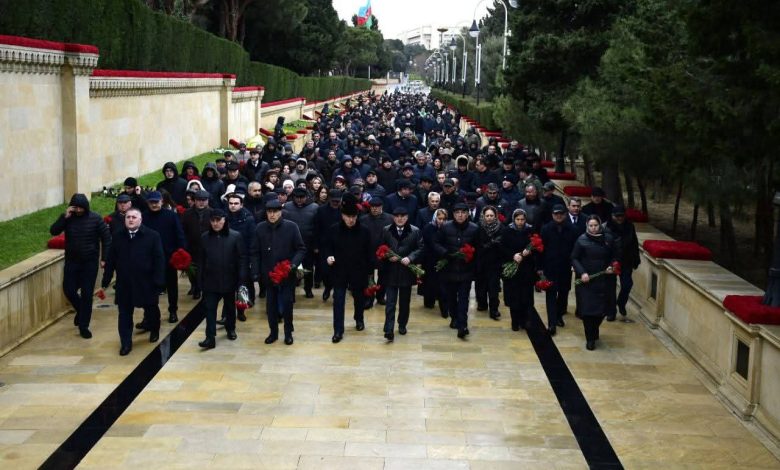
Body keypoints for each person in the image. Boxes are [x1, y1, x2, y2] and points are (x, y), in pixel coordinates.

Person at [100, 208, 165, 355]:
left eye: (134, 217)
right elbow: (111, 260)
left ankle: (154, 329)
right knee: (124, 314)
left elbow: (159, 259)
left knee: (151, 310)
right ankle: (126, 343)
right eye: (128, 217)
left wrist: (159, 281)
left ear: (140, 220)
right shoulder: (118, 236)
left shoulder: (152, 236)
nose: (130, 220)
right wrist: (106, 280)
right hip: (125, 284)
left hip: (146, 283)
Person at [50, 193, 112, 339]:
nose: (78, 210)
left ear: (85, 207)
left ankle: (84, 326)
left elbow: (106, 238)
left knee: (87, 294)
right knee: (69, 290)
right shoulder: (68, 218)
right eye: (75, 207)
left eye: (80, 208)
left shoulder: (95, 219)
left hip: (89, 263)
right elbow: (53, 231)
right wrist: (64, 217)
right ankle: (81, 310)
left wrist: (104, 258)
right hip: (72, 262)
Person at [251, 200, 306, 345]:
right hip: (268, 273)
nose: (272, 215)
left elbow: (301, 249)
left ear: (280, 212)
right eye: (269, 212)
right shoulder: (260, 228)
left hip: (287, 273)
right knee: (271, 306)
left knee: (287, 304)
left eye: (275, 212)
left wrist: (293, 265)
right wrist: (255, 272)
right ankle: (273, 332)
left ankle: (288, 333)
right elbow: (255, 252)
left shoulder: (291, 227)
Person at [322, 193, 373, 343]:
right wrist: (329, 256)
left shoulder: (365, 231)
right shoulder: (333, 230)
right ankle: (338, 330)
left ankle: (359, 318)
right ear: (342, 216)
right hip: (339, 270)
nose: (351, 220)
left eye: (353, 216)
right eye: (348, 216)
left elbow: (369, 252)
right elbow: (327, 247)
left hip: (358, 270)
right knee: (338, 300)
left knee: (359, 298)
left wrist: (369, 272)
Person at [197, 209, 248, 349]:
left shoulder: (235, 236)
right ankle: (210, 337)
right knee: (210, 309)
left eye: (218, 220)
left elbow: (242, 259)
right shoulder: (205, 237)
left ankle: (230, 329)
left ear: (224, 220)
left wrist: (242, 278)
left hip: (229, 279)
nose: (215, 223)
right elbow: (201, 260)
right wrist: (199, 280)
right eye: (213, 220)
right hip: (210, 280)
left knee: (230, 307)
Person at [432, 202, 479, 339]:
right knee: (451, 297)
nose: (460, 215)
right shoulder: (445, 227)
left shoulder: (474, 228)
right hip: (449, 268)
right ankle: (454, 317)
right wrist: (445, 253)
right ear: (453, 214)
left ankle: (463, 325)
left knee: (464, 298)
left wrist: (471, 259)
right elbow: (436, 243)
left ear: (467, 214)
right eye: (457, 212)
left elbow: (478, 248)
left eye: (463, 212)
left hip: (466, 269)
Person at [571, 215, 618, 350]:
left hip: (604, 280)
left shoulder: (608, 239)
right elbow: (574, 258)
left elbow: (615, 256)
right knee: (588, 311)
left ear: (600, 225)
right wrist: (582, 272)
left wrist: (612, 266)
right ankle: (590, 339)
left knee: (601, 311)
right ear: (587, 226)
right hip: (587, 281)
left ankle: (594, 330)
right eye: (591, 226)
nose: (593, 228)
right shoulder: (581, 240)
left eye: (595, 225)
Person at [378, 206, 424, 341]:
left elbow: (420, 248)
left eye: (402, 216)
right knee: (390, 302)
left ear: (407, 217)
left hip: (406, 271)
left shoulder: (415, 231)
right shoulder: (386, 230)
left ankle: (402, 324)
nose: (400, 219)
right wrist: (388, 256)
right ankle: (388, 329)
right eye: (397, 216)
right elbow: (381, 247)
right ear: (393, 217)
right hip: (391, 271)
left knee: (404, 302)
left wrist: (410, 258)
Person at [141, 191, 186, 324]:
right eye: (151, 202)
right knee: (149, 288)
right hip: (150, 259)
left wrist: (180, 252)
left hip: (169, 257)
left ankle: (173, 311)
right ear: (148, 203)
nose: (154, 205)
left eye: (156, 202)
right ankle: (148, 315)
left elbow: (179, 234)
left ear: (161, 202)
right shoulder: (143, 217)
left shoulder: (171, 216)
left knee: (172, 286)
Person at [538, 204, 578, 336]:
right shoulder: (546, 229)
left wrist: (574, 263)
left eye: (561, 213)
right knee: (550, 295)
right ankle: (552, 324)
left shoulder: (572, 229)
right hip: (550, 267)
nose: (559, 216)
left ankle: (559, 316)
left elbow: (575, 249)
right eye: (556, 214)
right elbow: (540, 249)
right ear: (552, 215)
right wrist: (540, 267)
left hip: (565, 267)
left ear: (565, 214)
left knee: (563, 293)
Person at [604, 205, 640, 319]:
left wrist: (636, 259)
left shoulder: (630, 226)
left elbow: (634, 243)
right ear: (612, 216)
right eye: (617, 216)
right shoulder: (605, 227)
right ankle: (611, 312)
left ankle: (621, 302)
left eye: (622, 216)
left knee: (627, 284)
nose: (619, 218)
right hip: (610, 261)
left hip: (626, 260)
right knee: (610, 288)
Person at [502, 209, 535, 331]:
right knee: (514, 296)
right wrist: (513, 255)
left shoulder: (530, 230)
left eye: (522, 219)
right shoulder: (507, 231)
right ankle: (515, 321)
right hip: (513, 268)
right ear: (514, 219)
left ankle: (524, 320)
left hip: (526, 268)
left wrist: (529, 252)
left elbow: (536, 246)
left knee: (526, 296)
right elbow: (502, 248)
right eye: (518, 219)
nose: (520, 222)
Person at [282, 187, 318, 298]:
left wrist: (315, 245)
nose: (299, 199)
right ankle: (291, 291)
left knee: (309, 268)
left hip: (308, 243)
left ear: (306, 197)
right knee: (292, 268)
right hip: (291, 244)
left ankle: (308, 288)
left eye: (301, 197)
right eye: (296, 197)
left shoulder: (314, 207)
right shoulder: (287, 206)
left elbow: (317, 227)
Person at [225, 193, 256, 321]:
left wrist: (251, 258)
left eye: (236, 203)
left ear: (241, 205)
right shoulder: (224, 217)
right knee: (227, 286)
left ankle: (241, 310)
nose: (233, 206)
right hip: (228, 256)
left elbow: (252, 239)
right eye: (231, 203)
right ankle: (226, 314)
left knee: (242, 285)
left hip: (243, 256)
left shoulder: (248, 219)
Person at [475, 206, 506, 320]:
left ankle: (494, 309)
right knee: (481, 286)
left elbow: (503, 245)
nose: (489, 218)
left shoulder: (501, 228)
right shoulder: (478, 227)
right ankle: (482, 304)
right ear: (483, 216)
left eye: (491, 215)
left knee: (493, 288)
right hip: (481, 262)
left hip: (495, 262)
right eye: (487, 215)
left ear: (495, 216)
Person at [180, 190, 211, 299]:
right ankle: (195, 286)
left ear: (207, 201)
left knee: (205, 269)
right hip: (191, 246)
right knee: (192, 269)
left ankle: (202, 287)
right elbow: (182, 230)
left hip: (207, 246)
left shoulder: (212, 213)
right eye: (199, 200)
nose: (201, 202)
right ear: (195, 201)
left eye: (204, 200)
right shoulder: (187, 213)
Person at [421, 208, 448, 317]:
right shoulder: (428, 228)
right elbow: (429, 243)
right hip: (430, 259)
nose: (441, 221)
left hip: (443, 259)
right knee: (430, 281)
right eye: (439, 218)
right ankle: (429, 301)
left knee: (442, 285)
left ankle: (444, 308)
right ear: (435, 218)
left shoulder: (448, 228)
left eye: (444, 219)